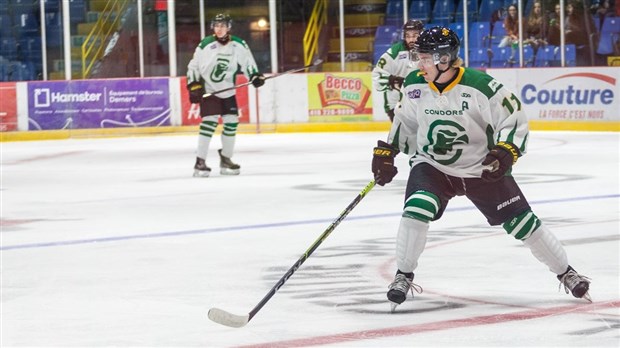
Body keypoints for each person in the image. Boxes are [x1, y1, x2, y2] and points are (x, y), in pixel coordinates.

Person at [370, 26, 591, 312]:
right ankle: (403, 275)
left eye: (424, 58)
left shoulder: (480, 86)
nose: (418, 64)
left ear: (444, 59)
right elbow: (406, 123)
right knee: (417, 208)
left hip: (481, 169)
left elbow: (513, 119)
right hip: (434, 165)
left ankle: (566, 272)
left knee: (523, 224)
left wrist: (506, 151)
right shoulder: (414, 84)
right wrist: (389, 150)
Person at [186, 13, 265, 177]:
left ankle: (226, 158)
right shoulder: (205, 44)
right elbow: (193, 66)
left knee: (231, 122)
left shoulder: (238, 44)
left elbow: (248, 63)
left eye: (222, 25)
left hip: (228, 90)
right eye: (216, 25)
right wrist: (194, 85)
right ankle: (200, 161)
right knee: (209, 122)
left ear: (228, 27)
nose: (219, 29)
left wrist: (255, 76)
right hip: (209, 89)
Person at [371, 19, 424, 122]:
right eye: (408, 36)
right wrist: (391, 80)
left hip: (421, 102)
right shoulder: (395, 51)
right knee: (402, 136)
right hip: (396, 104)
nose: (411, 40)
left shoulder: (428, 51)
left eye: (415, 35)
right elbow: (377, 74)